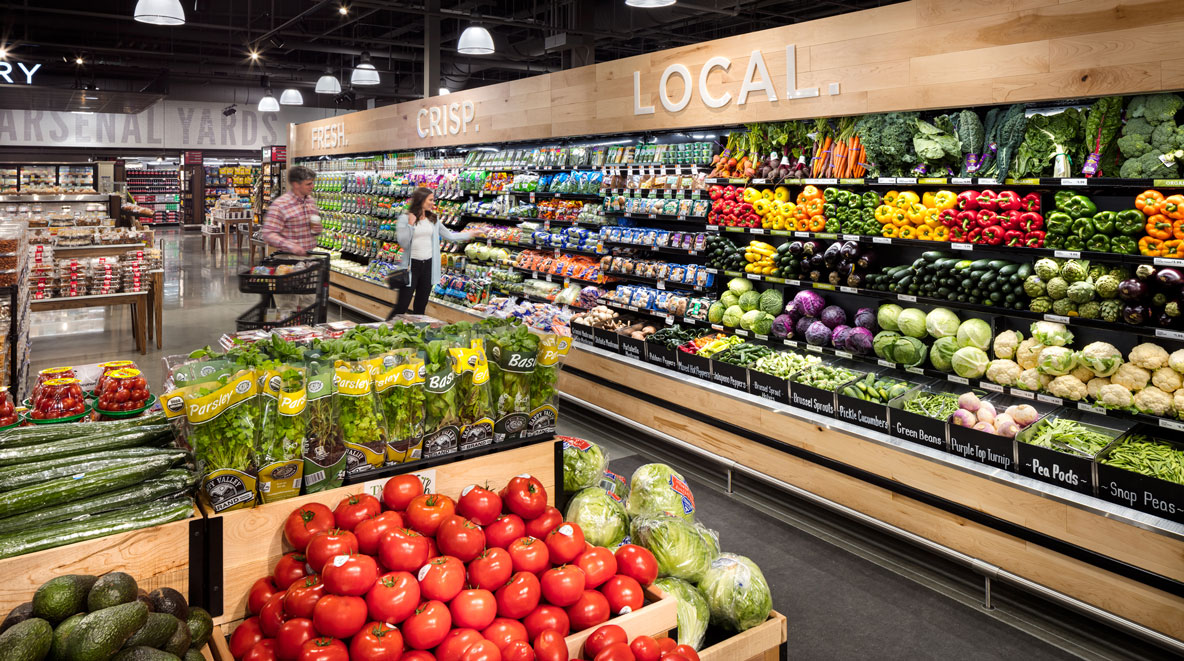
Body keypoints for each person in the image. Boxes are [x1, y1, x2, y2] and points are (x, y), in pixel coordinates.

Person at [389, 186, 483, 317]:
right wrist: (410, 225)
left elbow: (449, 236)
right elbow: (403, 242)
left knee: (421, 306)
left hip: (427, 266)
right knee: (402, 306)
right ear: (421, 200)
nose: (433, 203)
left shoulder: (433, 219)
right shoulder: (405, 218)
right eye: (431, 200)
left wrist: (469, 234)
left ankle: (416, 334)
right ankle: (386, 331)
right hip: (411, 268)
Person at [260, 165, 322, 310]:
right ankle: (288, 332)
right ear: (296, 184)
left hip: (309, 261)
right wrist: (291, 246)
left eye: (312, 182)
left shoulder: (310, 201)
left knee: (309, 303)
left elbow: (312, 229)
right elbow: (268, 234)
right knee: (288, 305)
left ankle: (308, 331)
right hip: (287, 262)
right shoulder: (281, 205)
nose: (312, 186)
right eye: (308, 183)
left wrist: (317, 230)